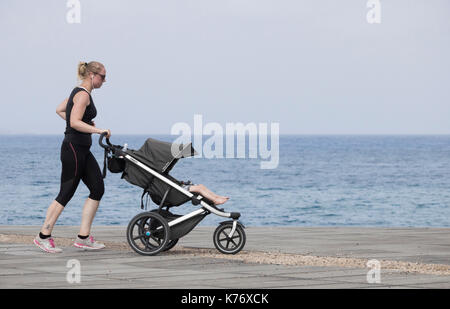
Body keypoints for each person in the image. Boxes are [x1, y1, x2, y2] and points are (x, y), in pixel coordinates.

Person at [34, 61, 111, 253]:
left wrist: (84, 122)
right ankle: (43, 236)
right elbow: (74, 122)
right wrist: (97, 129)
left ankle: (83, 237)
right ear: (92, 75)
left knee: (97, 187)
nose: (104, 80)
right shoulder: (83, 95)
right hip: (73, 149)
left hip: (82, 150)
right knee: (66, 192)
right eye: (102, 76)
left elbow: (61, 110)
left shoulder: (79, 93)